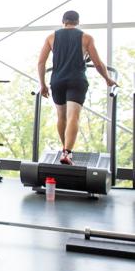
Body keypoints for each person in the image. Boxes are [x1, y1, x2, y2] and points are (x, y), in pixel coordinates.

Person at [37, 10, 117, 165]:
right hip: (77, 81)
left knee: (61, 116)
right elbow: (98, 63)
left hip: (57, 80)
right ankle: (67, 152)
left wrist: (42, 84)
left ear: (63, 21)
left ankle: (65, 150)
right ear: (77, 22)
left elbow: (41, 63)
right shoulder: (86, 38)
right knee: (73, 116)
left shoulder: (51, 37)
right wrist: (108, 79)